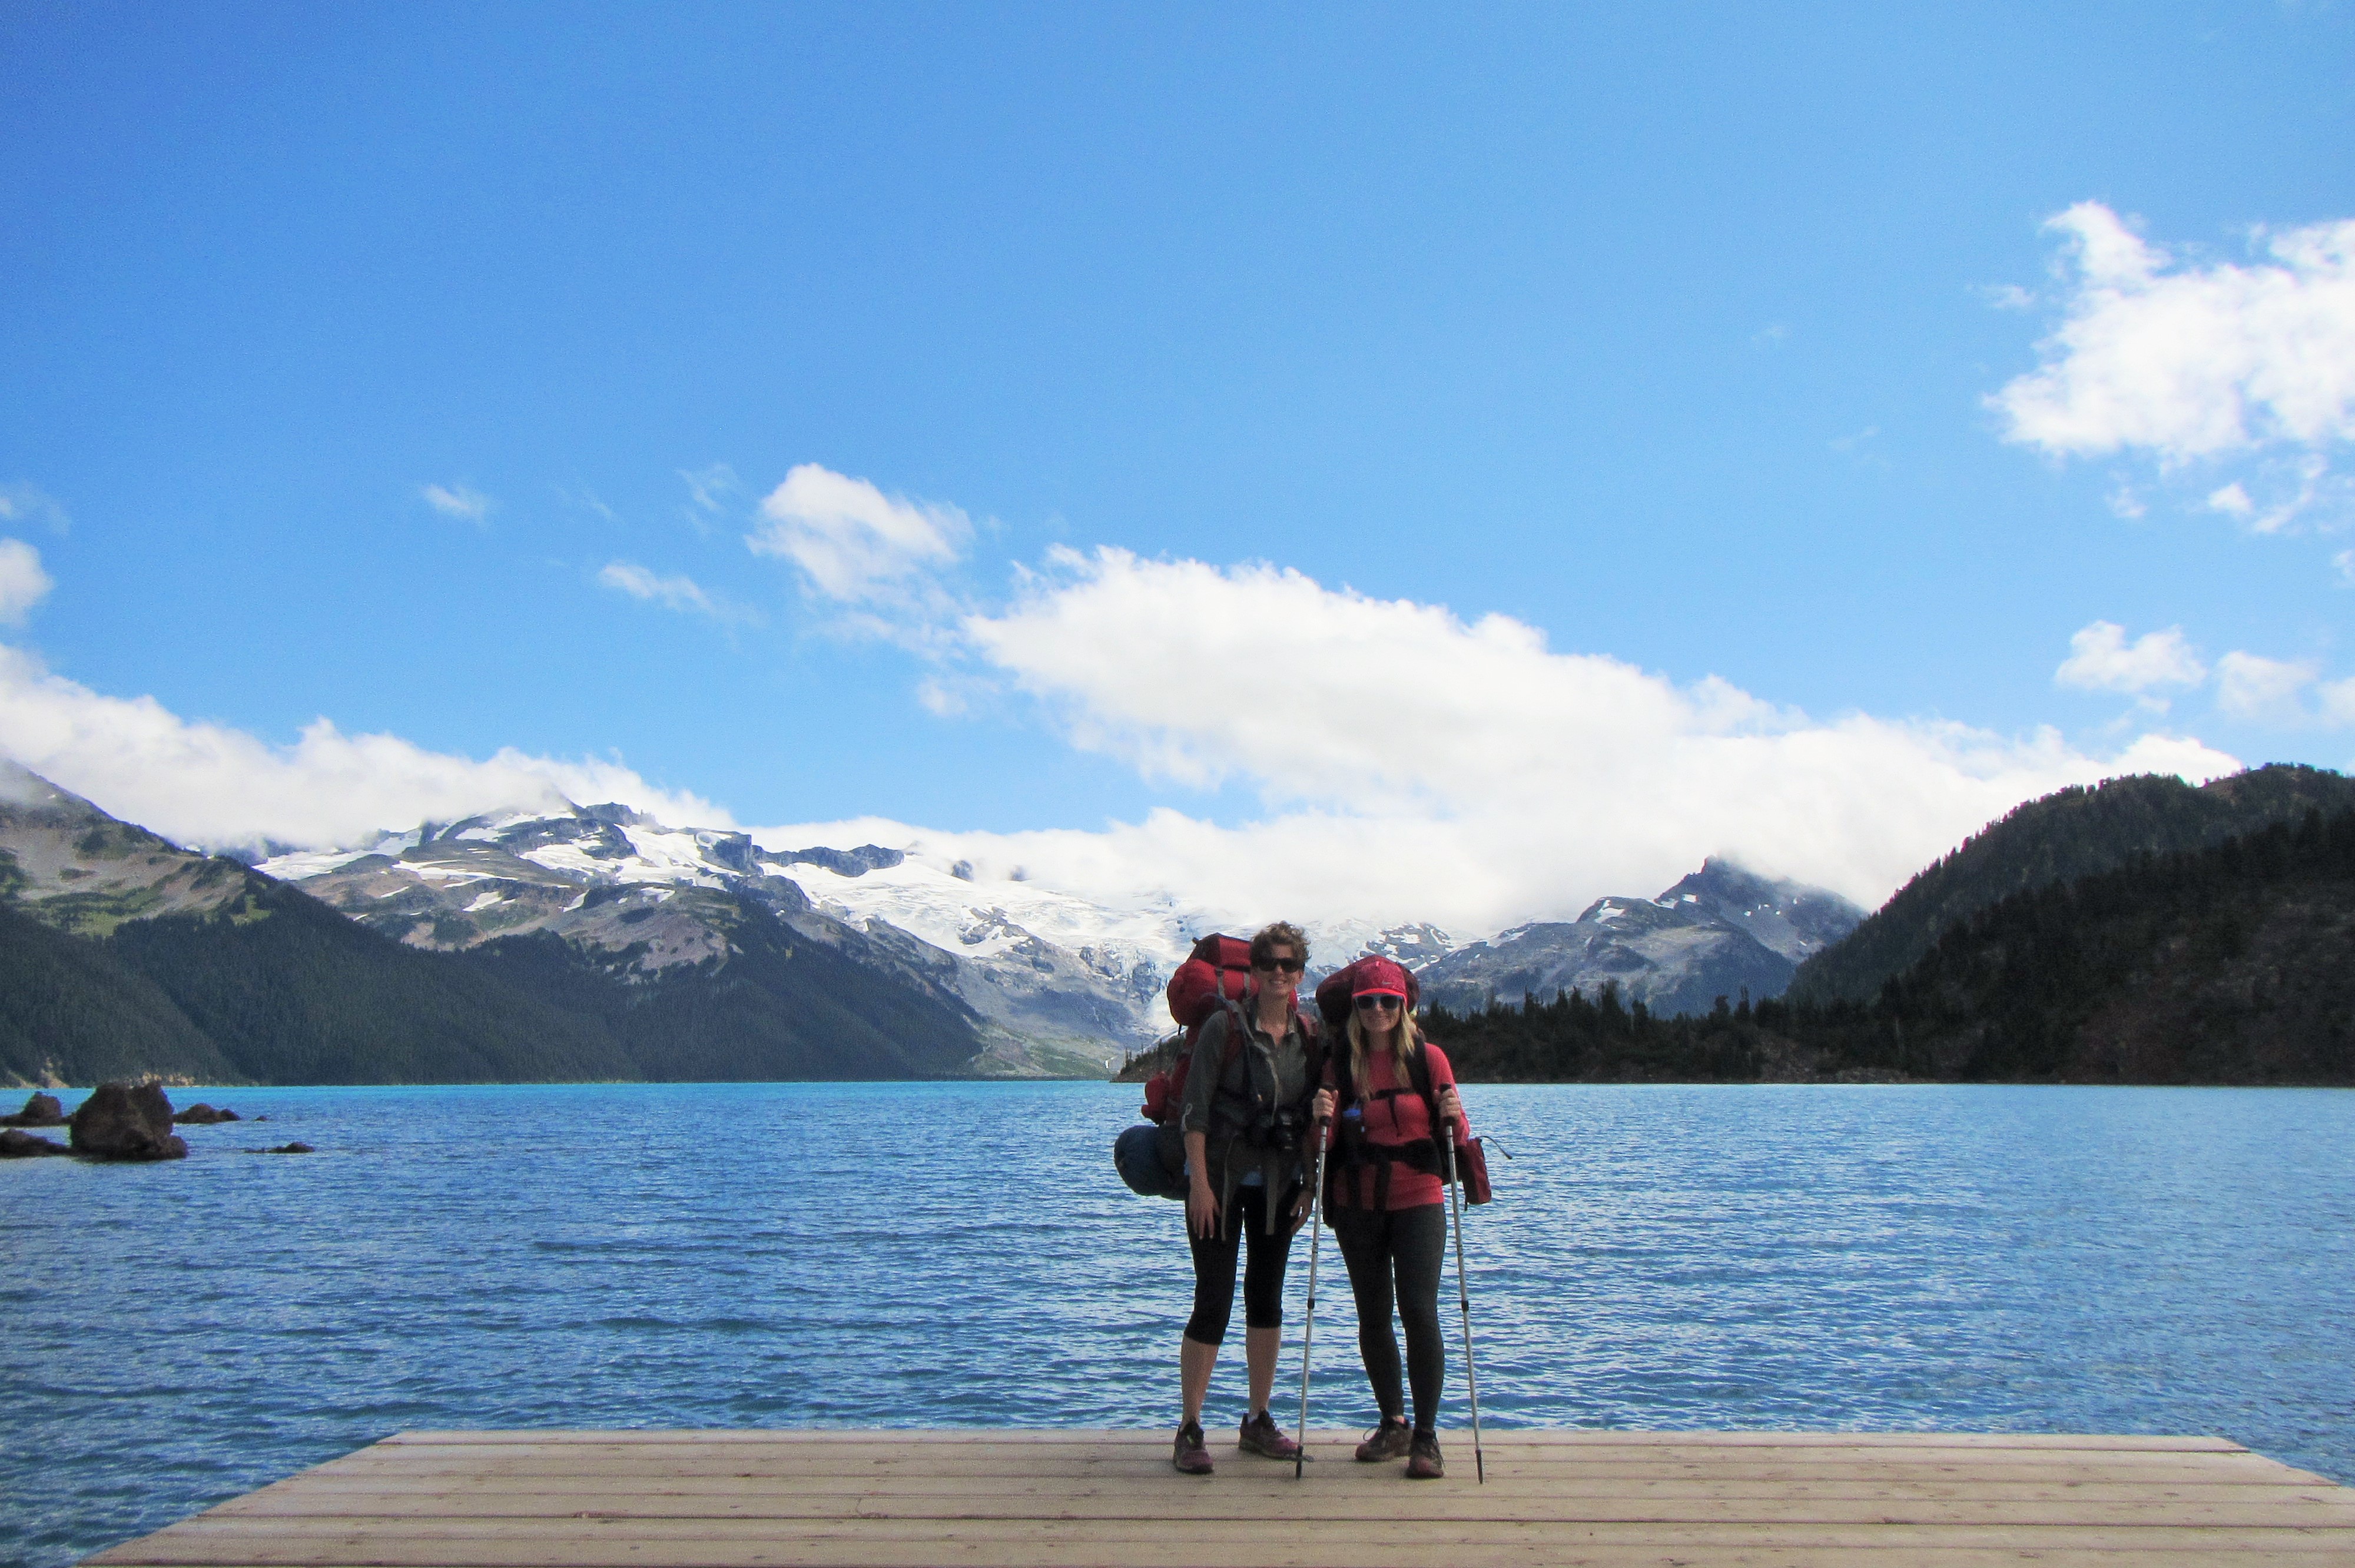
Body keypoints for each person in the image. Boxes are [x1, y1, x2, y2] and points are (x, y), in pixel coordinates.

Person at [1310, 956, 1467, 1480]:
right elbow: (1322, 1146)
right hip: (1357, 1202)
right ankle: (1392, 1423)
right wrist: (1321, 1121)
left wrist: (1455, 1116)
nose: (1378, 1010)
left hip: (1418, 1198)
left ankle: (1426, 1437)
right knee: (1373, 1316)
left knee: (1419, 1311)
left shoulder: (1430, 1058)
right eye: (1367, 1001)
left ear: (1404, 1006)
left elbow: (1458, 1135)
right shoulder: (1340, 1063)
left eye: (1388, 1001)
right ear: (1355, 1008)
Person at [1172, 921, 1320, 1475]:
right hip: (1220, 1182)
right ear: (1253, 973)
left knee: (1267, 1297)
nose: (1278, 973)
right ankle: (1190, 1427)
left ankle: (1258, 1419)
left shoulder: (1307, 1036)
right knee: (1213, 1297)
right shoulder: (1223, 1027)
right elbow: (1196, 1108)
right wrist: (1200, 1185)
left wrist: (1309, 1183)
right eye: (1268, 965)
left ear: (1300, 973)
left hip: (1279, 1185)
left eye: (1288, 965)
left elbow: (1310, 1116)